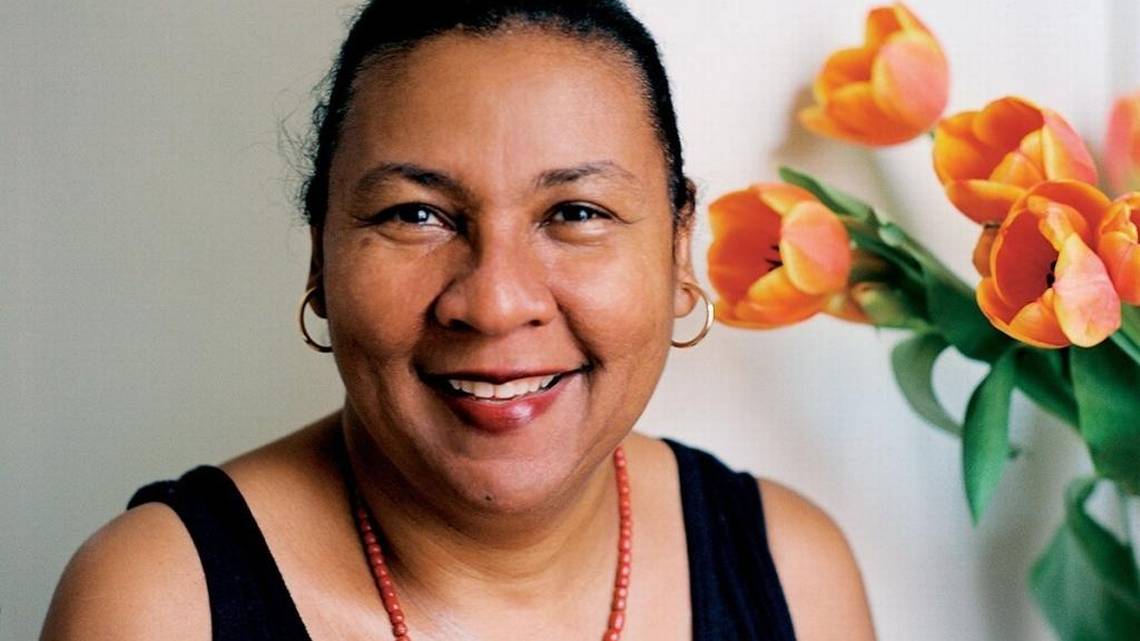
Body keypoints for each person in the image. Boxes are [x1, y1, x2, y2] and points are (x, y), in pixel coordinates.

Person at [40, 1, 875, 639]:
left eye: (576, 211)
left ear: (679, 249)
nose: (497, 301)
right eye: (416, 215)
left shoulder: (797, 575)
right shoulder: (160, 601)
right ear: (319, 254)